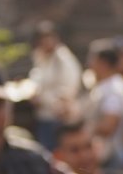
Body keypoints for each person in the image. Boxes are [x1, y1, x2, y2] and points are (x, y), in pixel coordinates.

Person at [85, 41, 123, 173]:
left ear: (103, 63)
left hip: (110, 155)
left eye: (93, 60)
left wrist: (84, 126)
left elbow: (108, 126)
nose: (90, 64)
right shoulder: (107, 85)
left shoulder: (113, 89)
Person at [29, 22, 84, 152]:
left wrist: (52, 102)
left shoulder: (63, 59)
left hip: (56, 117)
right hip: (42, 115)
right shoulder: (40, 56)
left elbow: (68, 90)